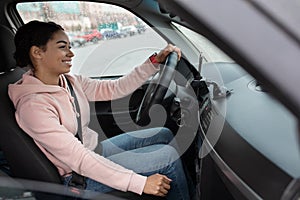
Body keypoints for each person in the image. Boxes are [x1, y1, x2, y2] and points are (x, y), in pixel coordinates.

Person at [8, 20, 191, 199]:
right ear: (37, 52)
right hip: (77, 177)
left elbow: (115, 88)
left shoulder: (69, 82)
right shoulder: (33, 107)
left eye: (69, 47)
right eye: (63, 47)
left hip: (94, 150)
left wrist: (154, 62)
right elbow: (79, 159)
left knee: (163, 133)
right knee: (168, 158)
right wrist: (140, 183)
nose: (71, 53)